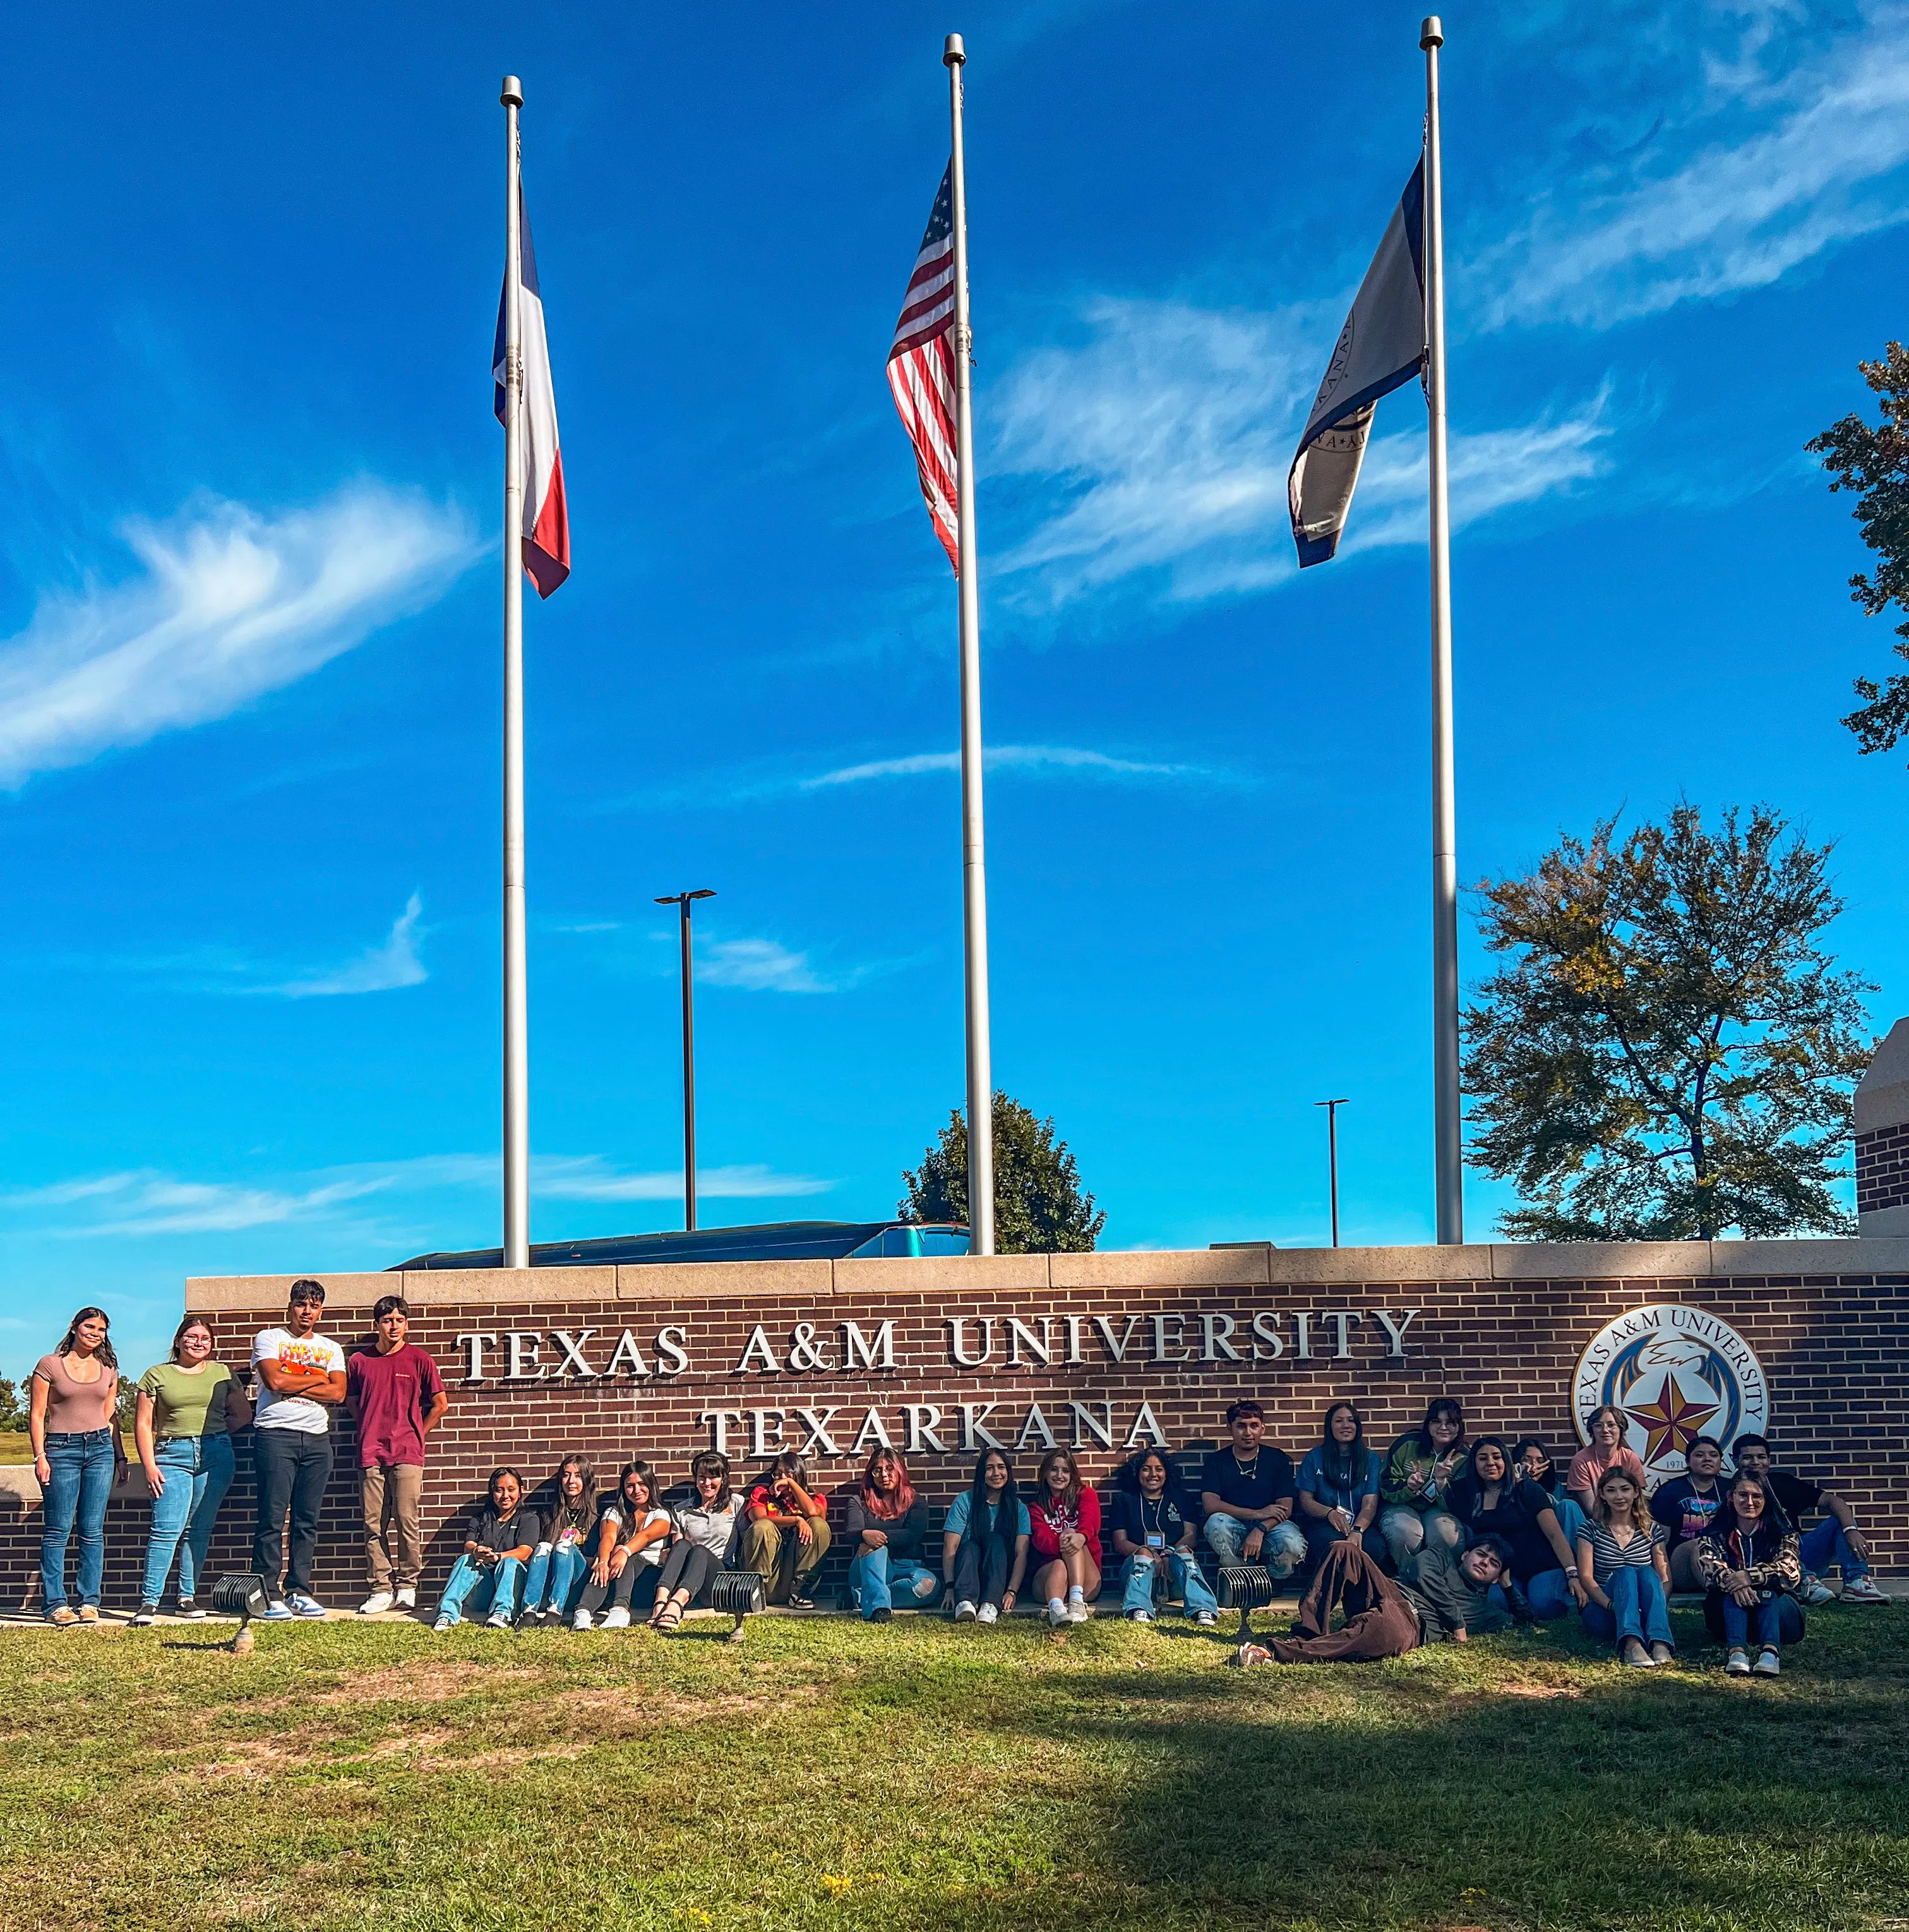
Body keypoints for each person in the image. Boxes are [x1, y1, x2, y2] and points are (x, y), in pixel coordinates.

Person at [1242, 1533, 1529, 1665]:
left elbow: (1526, 1620)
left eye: (1493, 1563)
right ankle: (1312, 1630)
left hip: (1412, 1623)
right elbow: (1421, 1573)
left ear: (1495, 1575)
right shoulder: (1441, 1557)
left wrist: (1507, 1587)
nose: (1484, 1562)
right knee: (1344, 1550)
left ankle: (1275, 1653)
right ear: (1466, 1554)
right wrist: (1456, 1621)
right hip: (1389, 1590)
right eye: (1481, 1554)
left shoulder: (1486, 1610)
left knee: (1383, 1632)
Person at [132, 1315, 252, 1624]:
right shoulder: (156, 1375)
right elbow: (144, 1424)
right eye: (192, 1337)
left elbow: (241, 1413)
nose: (198, 1343)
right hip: (172, 1454)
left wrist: (217, 1437)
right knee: (166, 1529)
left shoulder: (222, 1373)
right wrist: (149, 1465)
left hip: (215, 1455)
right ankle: (149, 1602)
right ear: (178, 1340)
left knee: (198, 1530)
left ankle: (187, 1598)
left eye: (205, 1339)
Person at [249, 1279, 347, 1618]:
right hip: (276, 1436)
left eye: (314, 1306)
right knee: (272, 1518)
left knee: (307, 1520)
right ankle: (267, 1591)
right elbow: (275, 1382)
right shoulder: (270, 1338)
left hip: (317, 1439)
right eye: (302, 1304)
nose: (307, 1311)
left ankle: (298, 1590)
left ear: (321, 1311)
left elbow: (338, 1394)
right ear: (290, 1307)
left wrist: (296, 1379)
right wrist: (317, 1377)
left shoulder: (331, 1348)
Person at [345, 1293, 448, 1616]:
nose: (394, 1326)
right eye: (388, 1320)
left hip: (407, 1452)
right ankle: (380, 1588)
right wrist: (368, 1425)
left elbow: (440, 1404)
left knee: (407, 1520)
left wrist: (417, 1431)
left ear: (407, 1324)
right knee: (373, 1522)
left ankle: (407, 1586)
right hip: (370, 1451)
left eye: (400, 1320)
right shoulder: (359, 1362)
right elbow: (349, 1400)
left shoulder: (420, 1359)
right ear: (377, 1324)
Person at [30, 1307, 128, 1628]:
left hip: (100, 1448)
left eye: (101, 1329)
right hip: (61, 1449)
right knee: (58, 1530)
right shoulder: (50, 1365)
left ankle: (89, 1602)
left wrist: (121, 1456)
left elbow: (111, 1416)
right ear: (75, 1327)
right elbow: (37, 1414)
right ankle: (55, 1604)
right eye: (90, 1326)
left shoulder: (108, 1368)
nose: (95, 1333)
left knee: (92, 1529)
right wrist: (39, 1456)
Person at [1731, 1436, 1887, 1605]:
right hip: (1768, 1562)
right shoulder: (1731, 1490)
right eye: (1747, 1457)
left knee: (1838, 1522)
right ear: (1735, 1461)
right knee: (1772, 1530)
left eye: (1761, 1457)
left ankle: (1856, 1583)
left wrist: (1850, 1529)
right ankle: (1804, 1584)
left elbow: (1832, 1501)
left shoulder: (1783, 1483)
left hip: (1802, 1554)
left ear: (1769, 1460)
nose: (1755, 1462)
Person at [1446, 1436, 1583, 1619]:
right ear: (1474, 1463)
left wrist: (1572, 1573)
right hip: (1503, 1571)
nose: (1490, 1463)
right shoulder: (1466, 1495)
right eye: (1482, 1458)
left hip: (1541, 1565)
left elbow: (1555, 1535)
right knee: (1498, 1603)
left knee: (1545, 1606)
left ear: (1507, 1461)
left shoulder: (1527, 1490)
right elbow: (1441, 1500)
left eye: (1497, 1457)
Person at [1696, 1472, 1804, 1676]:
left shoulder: (1784, 1534)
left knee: (1768, 1591)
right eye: (1743, 1495)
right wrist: (1737, 1583)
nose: (1750, 1502)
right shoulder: (1713, 1534)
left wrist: (1749, 1577)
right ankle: (1737, 1653)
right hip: (1728, 1614)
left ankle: (1770, 1654)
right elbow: (1709, 1567)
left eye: (1757, 1496)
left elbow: (1790, 1569)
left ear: (1766, 1499)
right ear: (1731, 1497)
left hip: (1780, 1615)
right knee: (1730, 1592)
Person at [1106, 1447, 1219, 1627]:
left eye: (1159, 1469)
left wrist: (1169, 1553)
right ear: (1137, 1472)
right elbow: (1120, 1542)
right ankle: (1139, 1608)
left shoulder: (1182, 1499)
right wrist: (1148, 1553)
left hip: (1174, 1577)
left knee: (1183, 1552)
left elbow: (1190, 1536)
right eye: (1146, 1468)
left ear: (1166, 1473)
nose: (1153, 1474)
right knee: (1143, 1554)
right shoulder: (1124, 1500)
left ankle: (1202, 1609)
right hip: (1137, 1577)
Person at [1576, 1465, 1675, 1669]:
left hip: (1644, 1610)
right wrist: (1614, 1605)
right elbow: (1586, 1577)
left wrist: (1653, 1608)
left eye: (1625, 1489)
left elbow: (1665, 1578)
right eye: (1611, 1490)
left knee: (1647, 1572)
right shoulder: (1590, 1529)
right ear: (1602, 1495)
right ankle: (1632, 1644)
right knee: (1627, 1571)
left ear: (1636, 1492)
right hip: (1605, 1610)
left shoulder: (1651, 1529)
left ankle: (1659, 1642)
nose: (1619, 1496)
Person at [1199, 1401, 1305, 1580]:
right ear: (1230, 1428)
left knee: (1292, 1543)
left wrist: (1260, 1529)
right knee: (1215, 1524)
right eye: (1241, 1426)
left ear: (1262, 1429)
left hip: (1271, 1527)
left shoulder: (1277, 1459)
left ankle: (1272, 1581)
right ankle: (1242, 1578)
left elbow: (1286, 1508)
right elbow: (1211, 1505)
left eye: (1254, 1426)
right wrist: (1257, 1514)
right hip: (1234, 1528)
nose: (1248, 1433)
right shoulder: (1216, 1461)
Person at [433, 1468, 541, 1631]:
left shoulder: (529, 1518)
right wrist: (476, 1551)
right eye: (499, 1490)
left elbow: (525, 1552)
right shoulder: (480, 1518)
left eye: (511, 1490)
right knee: (465, 1559)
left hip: (514, 1591)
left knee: (510, 1562)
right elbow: (468, 1545)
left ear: (520, 1492)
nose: (505, 1496)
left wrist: (498, 1557)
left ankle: (502, 1613)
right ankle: (447, 1615)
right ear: (492, 1492)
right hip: (484, 1590)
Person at [652, 1451, 747, 1633]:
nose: (707, 1483)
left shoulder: (736, 1504)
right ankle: (661, 1602)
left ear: (723, 1478)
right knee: (681, 1545)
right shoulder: (681, 1510)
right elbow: (678, 1549)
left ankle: (676, 1604)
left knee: (700, 1551)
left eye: (713, 1477)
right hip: (691, 1581)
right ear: (695, 1479)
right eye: (702, 1477)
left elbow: (745, 1542)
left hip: (719, 1580)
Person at [575, 1460, 674, 1629]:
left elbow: (645, 1536)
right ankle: (583, 1613)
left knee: (625, 1554)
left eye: (642, 1484)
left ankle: (620, 1610)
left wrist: (624, 1551)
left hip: (647, 1582)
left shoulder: (662, 1515)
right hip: (615, 1579)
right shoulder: (614, 1513)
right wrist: (602, 1563)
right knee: (604, 1565)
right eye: (630, 1486)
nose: (636, 1491)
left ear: (651, 1484)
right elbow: (608, 1537)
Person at [842, 1446, 937, 1623]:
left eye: (889, 1469)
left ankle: (860, 1597)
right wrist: (864, 1536)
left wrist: (873, 1536)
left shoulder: (916, 1503)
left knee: (928, 1585)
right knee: (876, 1549)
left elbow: (912, 1535)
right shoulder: (859, 1502)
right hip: (866, 1567)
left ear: (900, 1470)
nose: (884, 1475)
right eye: (877, 1471)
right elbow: (852, 1533)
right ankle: (880, 1609)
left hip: (905, 1568)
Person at [1295, 1402, 1387, 1574]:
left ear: (1357, 1426)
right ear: (1330, 1427)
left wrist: (1358, 1530)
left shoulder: (1371, 1459)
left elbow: (1369, 1505)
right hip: (1325, 1524)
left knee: (1375, 1548)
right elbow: (1305, 1501)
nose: (1346, 1425)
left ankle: (1361, 1592)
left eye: (1351, 1421)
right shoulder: (1315, 1457)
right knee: (1335, 1547)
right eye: (1338, 1421)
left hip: (1360, 1524)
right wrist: (1329, 1513)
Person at [1379, 1398, 1468, 1574]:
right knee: (1405, 1533)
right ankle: (1408, 1580)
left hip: (1438, 1510)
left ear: (1459, 1427)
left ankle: (1441, 1583)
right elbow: (1385, 1485)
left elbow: (1460, 1504)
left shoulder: (1465, 1458)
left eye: (1451, 1422)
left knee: (1446, 1535)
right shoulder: (1406, 1444)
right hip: (1402, 1505)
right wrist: (1409, 1487)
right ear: (1427, 1425)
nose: (1443, 1428)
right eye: (1437, 1421)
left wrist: (1441, 1482)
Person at [943, 1448, 1031, 1625]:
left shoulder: (1018, 1508)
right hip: (967, 1575)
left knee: (995, 1540)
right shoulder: (965, 1501)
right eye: (990, 1468)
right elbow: (950, 1547)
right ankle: (965, 1603)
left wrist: (1012, 1591)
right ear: (982, 1473)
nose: (996, 1474)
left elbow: (1021, 1554)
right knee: (969, 1545)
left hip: (998, 1577)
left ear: (1008, 1471)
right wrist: (950, 1587)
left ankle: (990, 1605)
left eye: (1001, 1467)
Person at [739, 1451, 832, 1608]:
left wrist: (792, 1485)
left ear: (799, 1474)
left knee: (818, 1524)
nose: (781, 1478)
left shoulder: (816, 1499)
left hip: (794, 1575)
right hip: (768, 1575)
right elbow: (759, 1519)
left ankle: (800, 1592)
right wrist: (796, 1520)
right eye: (777, 1474)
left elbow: (814, 1513)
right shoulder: (762, 1494)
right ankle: (756, 1591)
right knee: (763, 1526)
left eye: (788, 1473)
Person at [522, 1455, 599, 1626]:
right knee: (542, 1546)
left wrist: (571, 1552)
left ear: (587, 1480)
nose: (571, 1481)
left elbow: (596, 1562)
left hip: (579, 1582)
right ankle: (529, 1611)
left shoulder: (598, 1518)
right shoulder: (548, 1515)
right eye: (566, 1475)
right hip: (551, 1582)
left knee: (564, 1546)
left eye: (578, 1476)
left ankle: (555, 1611)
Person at [1029, 1448, 1103, 1626]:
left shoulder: (1086, 1495)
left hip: (1088, 1581)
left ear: (1072, 1474)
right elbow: (1041, 1541)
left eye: (1065, 1471)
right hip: (1049, 1582)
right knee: (1060, 1562)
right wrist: (1065, 1540)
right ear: (1045, 1473)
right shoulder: (1035, 1507)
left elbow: (1091, 1523)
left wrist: (1081, 1536)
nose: (1059, 1475)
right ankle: (1057, 1610)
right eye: (1054, 1469)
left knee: (1074, 1537)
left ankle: (1077, 1602)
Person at [1648, 1435, 1728, 1591]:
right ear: (1687, 1462)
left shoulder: (1731, 1490)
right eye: (1699, 1455)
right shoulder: (1670, 1491)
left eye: (1714, 1455)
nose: (1707, 1459)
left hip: (1724, 1559)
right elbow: (1660, 1542)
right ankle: (1718, 1595)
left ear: (1721, 1460)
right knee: (1700, 1544)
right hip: (1682, 1564)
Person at [1564, 1406, 1648, 1518]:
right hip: (1595, 1521)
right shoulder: (1581, 1461)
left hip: (1628, 1519)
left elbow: (1638, 1500)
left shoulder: (1630, 1458)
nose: (1605, 1430)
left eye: (1611, 1425)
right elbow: (1591, 1507)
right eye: (1599, 1426)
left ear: (1621, 1429)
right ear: (1592, 1431)